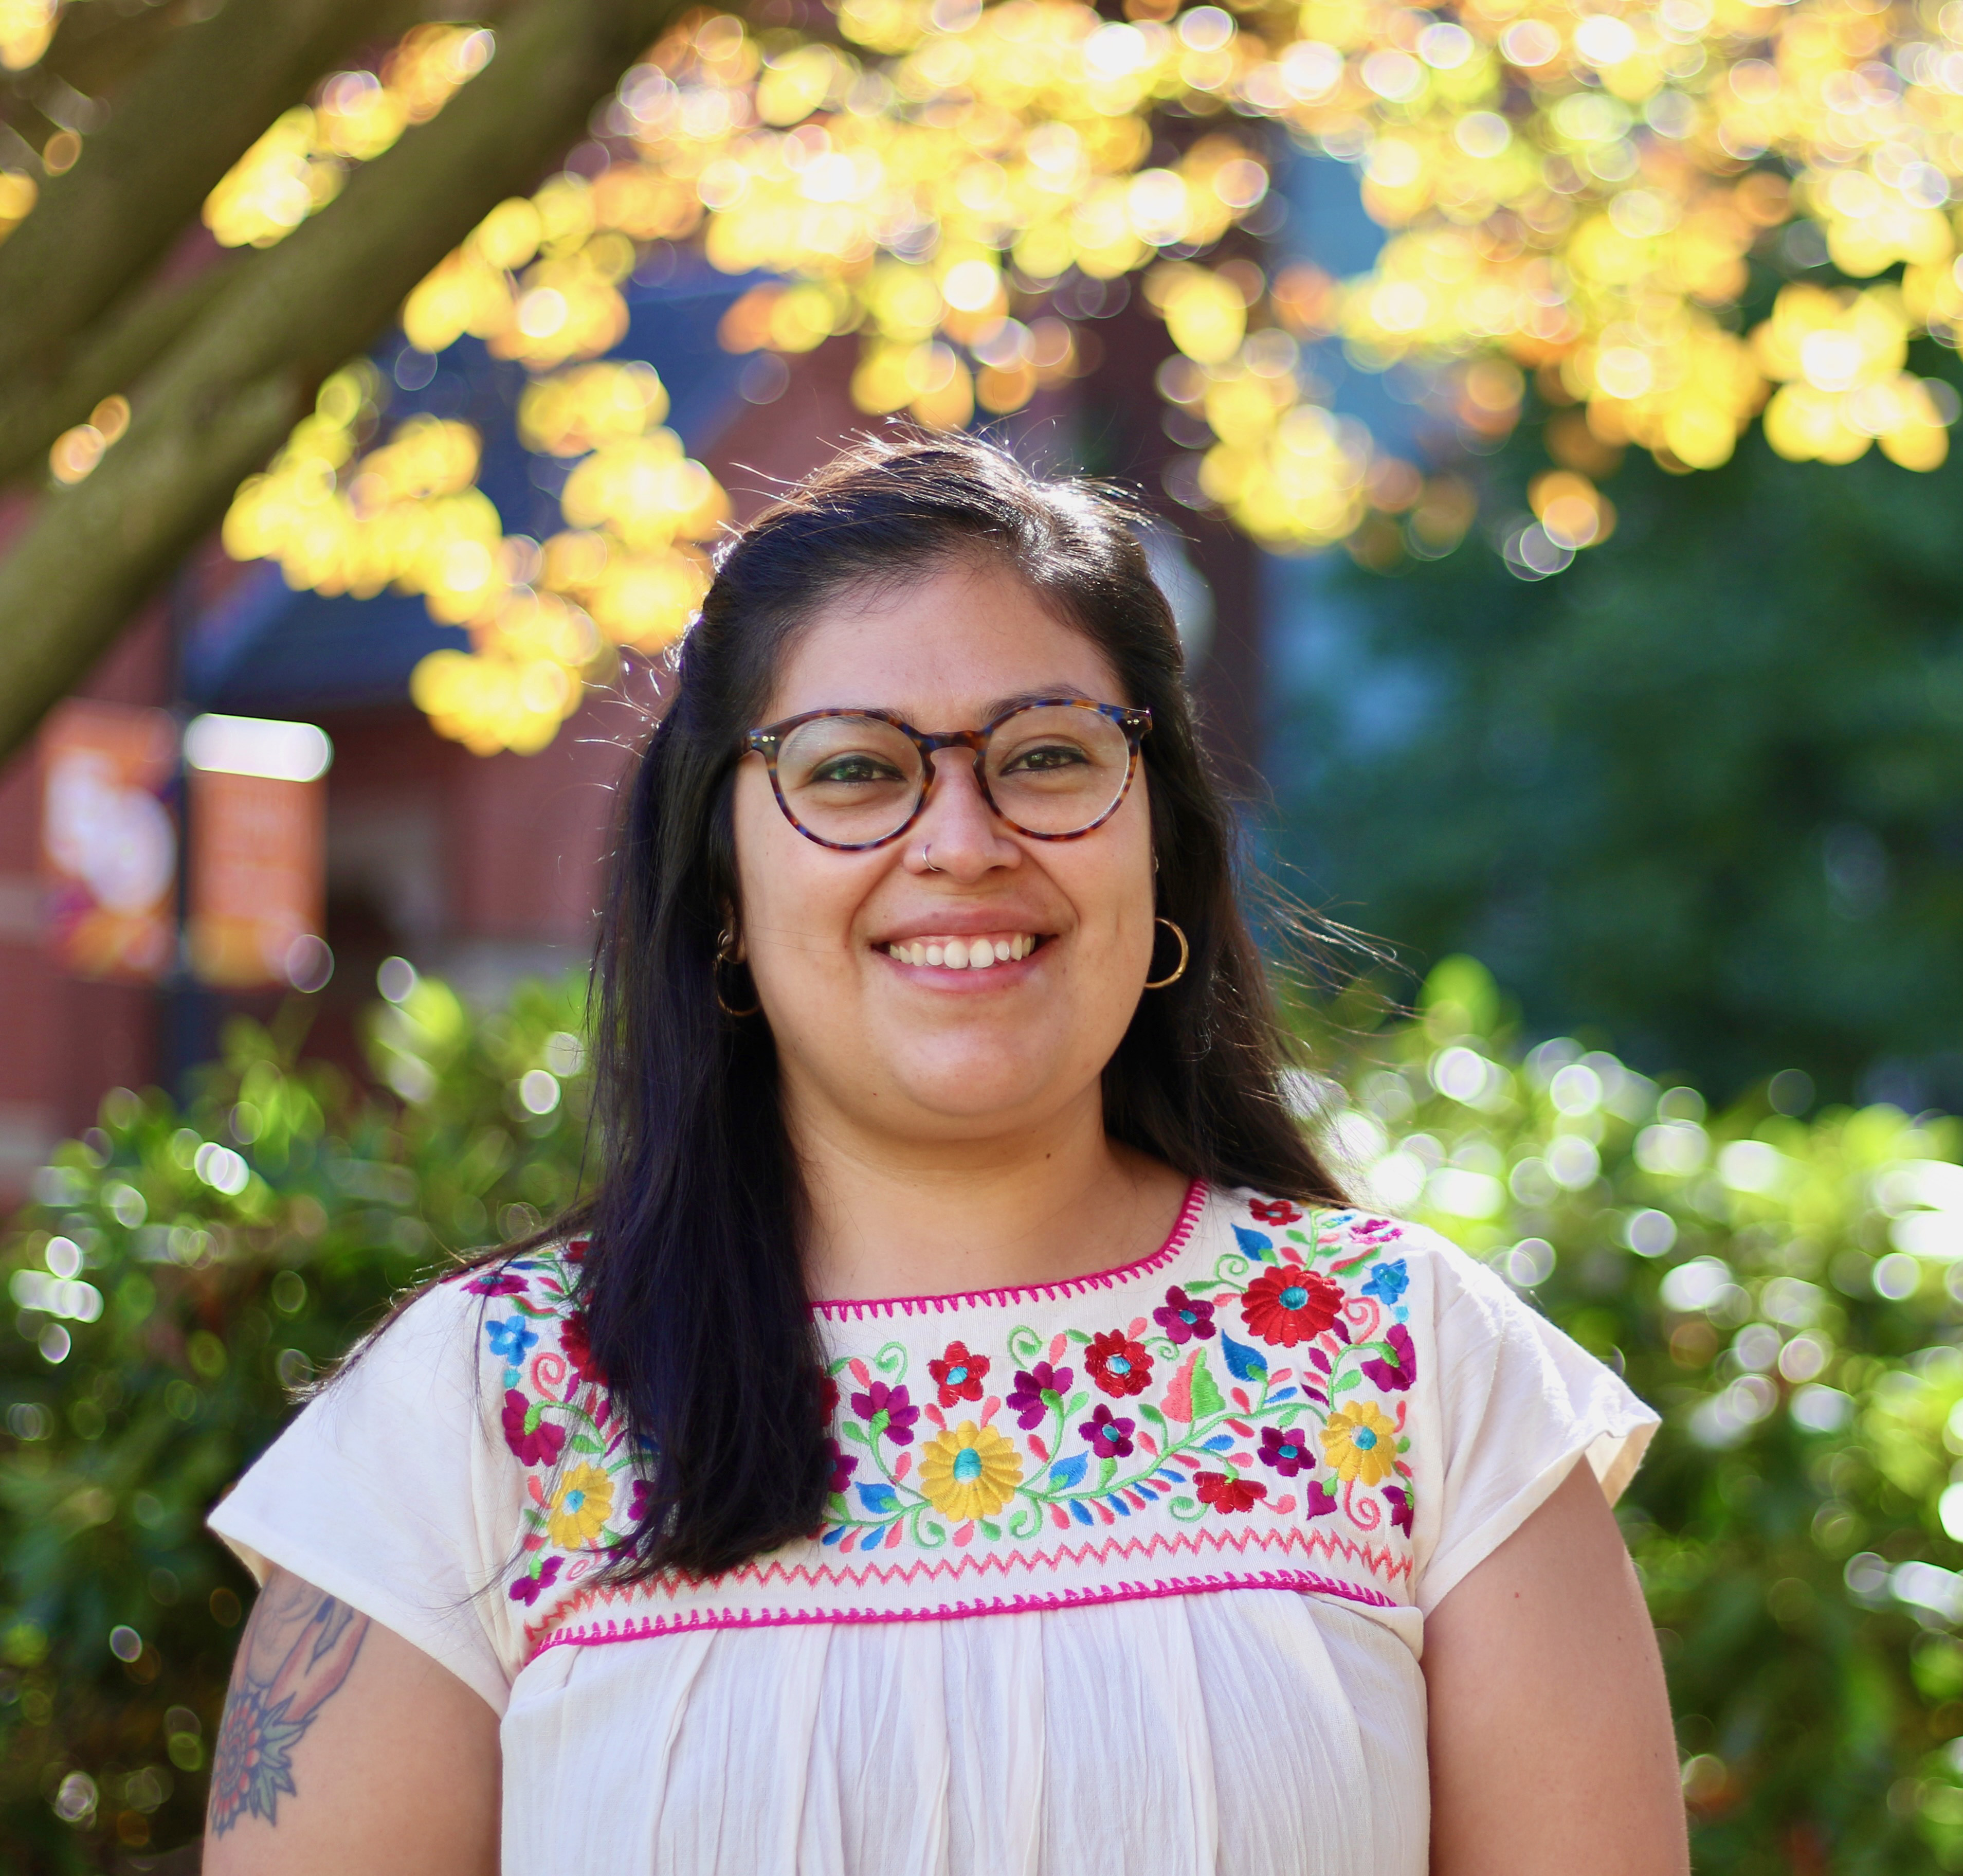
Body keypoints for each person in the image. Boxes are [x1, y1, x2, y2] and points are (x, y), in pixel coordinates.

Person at [202, 433, 1684, 1875]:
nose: (962, 841)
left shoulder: (1409, 1366)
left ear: (1158, 843)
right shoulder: (480, 1415)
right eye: (853, 774)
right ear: (721, 882)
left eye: (1046, 758)